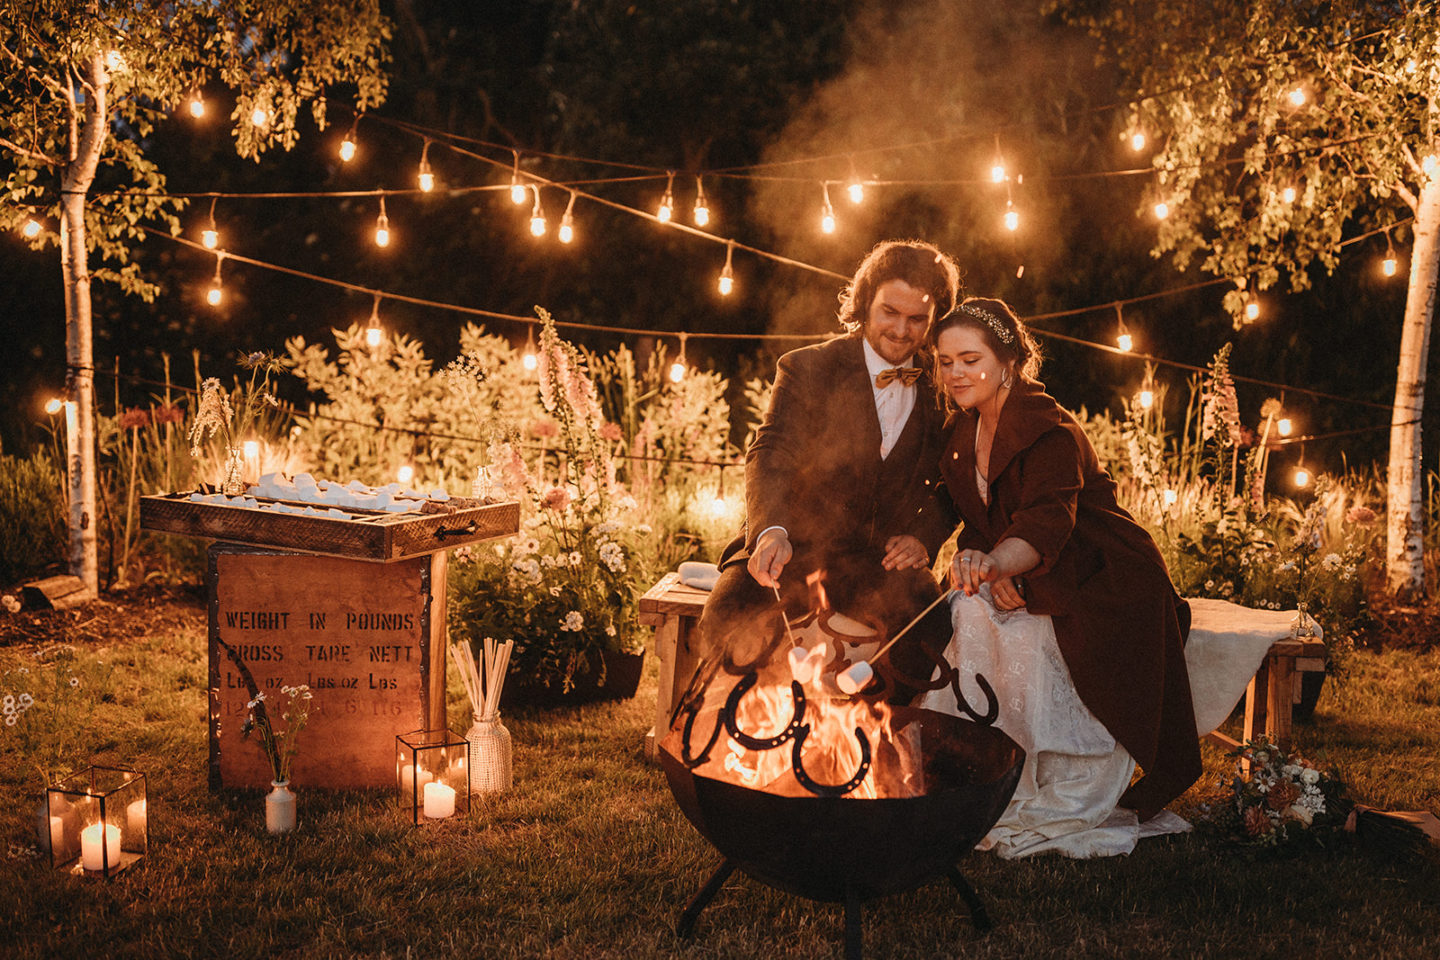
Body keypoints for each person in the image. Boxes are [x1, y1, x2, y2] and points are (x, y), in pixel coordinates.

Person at [923, 297, 1201, 858]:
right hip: (1029, 567)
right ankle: (991, 770)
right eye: (945, 360)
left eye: (970, 359)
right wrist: (970, 558)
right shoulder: (961, 431)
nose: (955, 372)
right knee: (969, 609)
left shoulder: (1049, 430)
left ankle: (1065, 780)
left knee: (1025, 630)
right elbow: (965, 510)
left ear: (1008, 361)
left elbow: (1049, 519)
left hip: (1101, 572)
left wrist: (999, 563)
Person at [695, 240, 962, 690]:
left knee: (929, 633)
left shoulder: (946, 388)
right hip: (791, 550)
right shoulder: (807, 367)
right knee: (728, 617)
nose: (901, 330)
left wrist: (925, 536)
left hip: (879, 568)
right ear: (864, 304)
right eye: (889, 312)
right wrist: (770, 531)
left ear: (934, 322)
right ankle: (728, 737)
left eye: (917, 319)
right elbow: (770, 450)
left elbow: (955, 481)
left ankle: (868, 746)